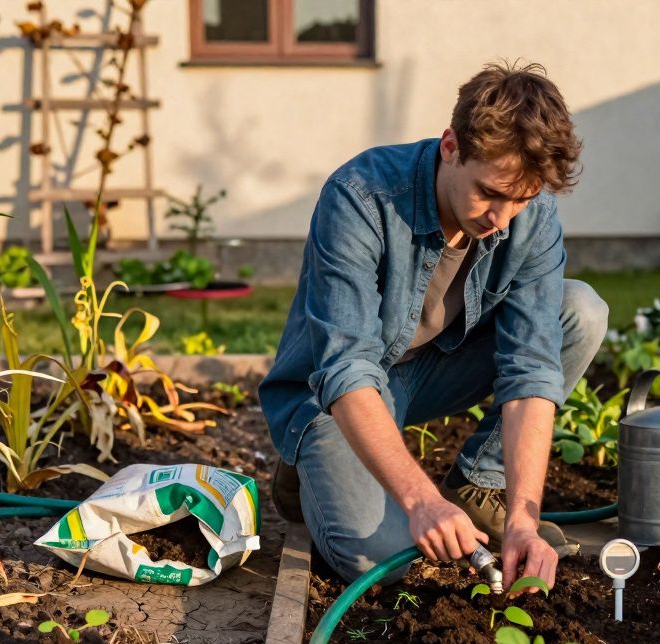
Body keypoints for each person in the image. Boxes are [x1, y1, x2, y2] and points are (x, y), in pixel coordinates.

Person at [258, 61, 608, 593]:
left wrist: (522, 522)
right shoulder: (361, 196)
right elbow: (346, 366)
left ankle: (477, 486)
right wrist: (421, 502)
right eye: (490, 192)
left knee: (578, 310)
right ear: (451, 147)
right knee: (389, 560)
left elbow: (531, 368)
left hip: (428, 375)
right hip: (331, 393)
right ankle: (309, 461)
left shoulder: (527, 216)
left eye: (522, 198)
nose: (502, 217)